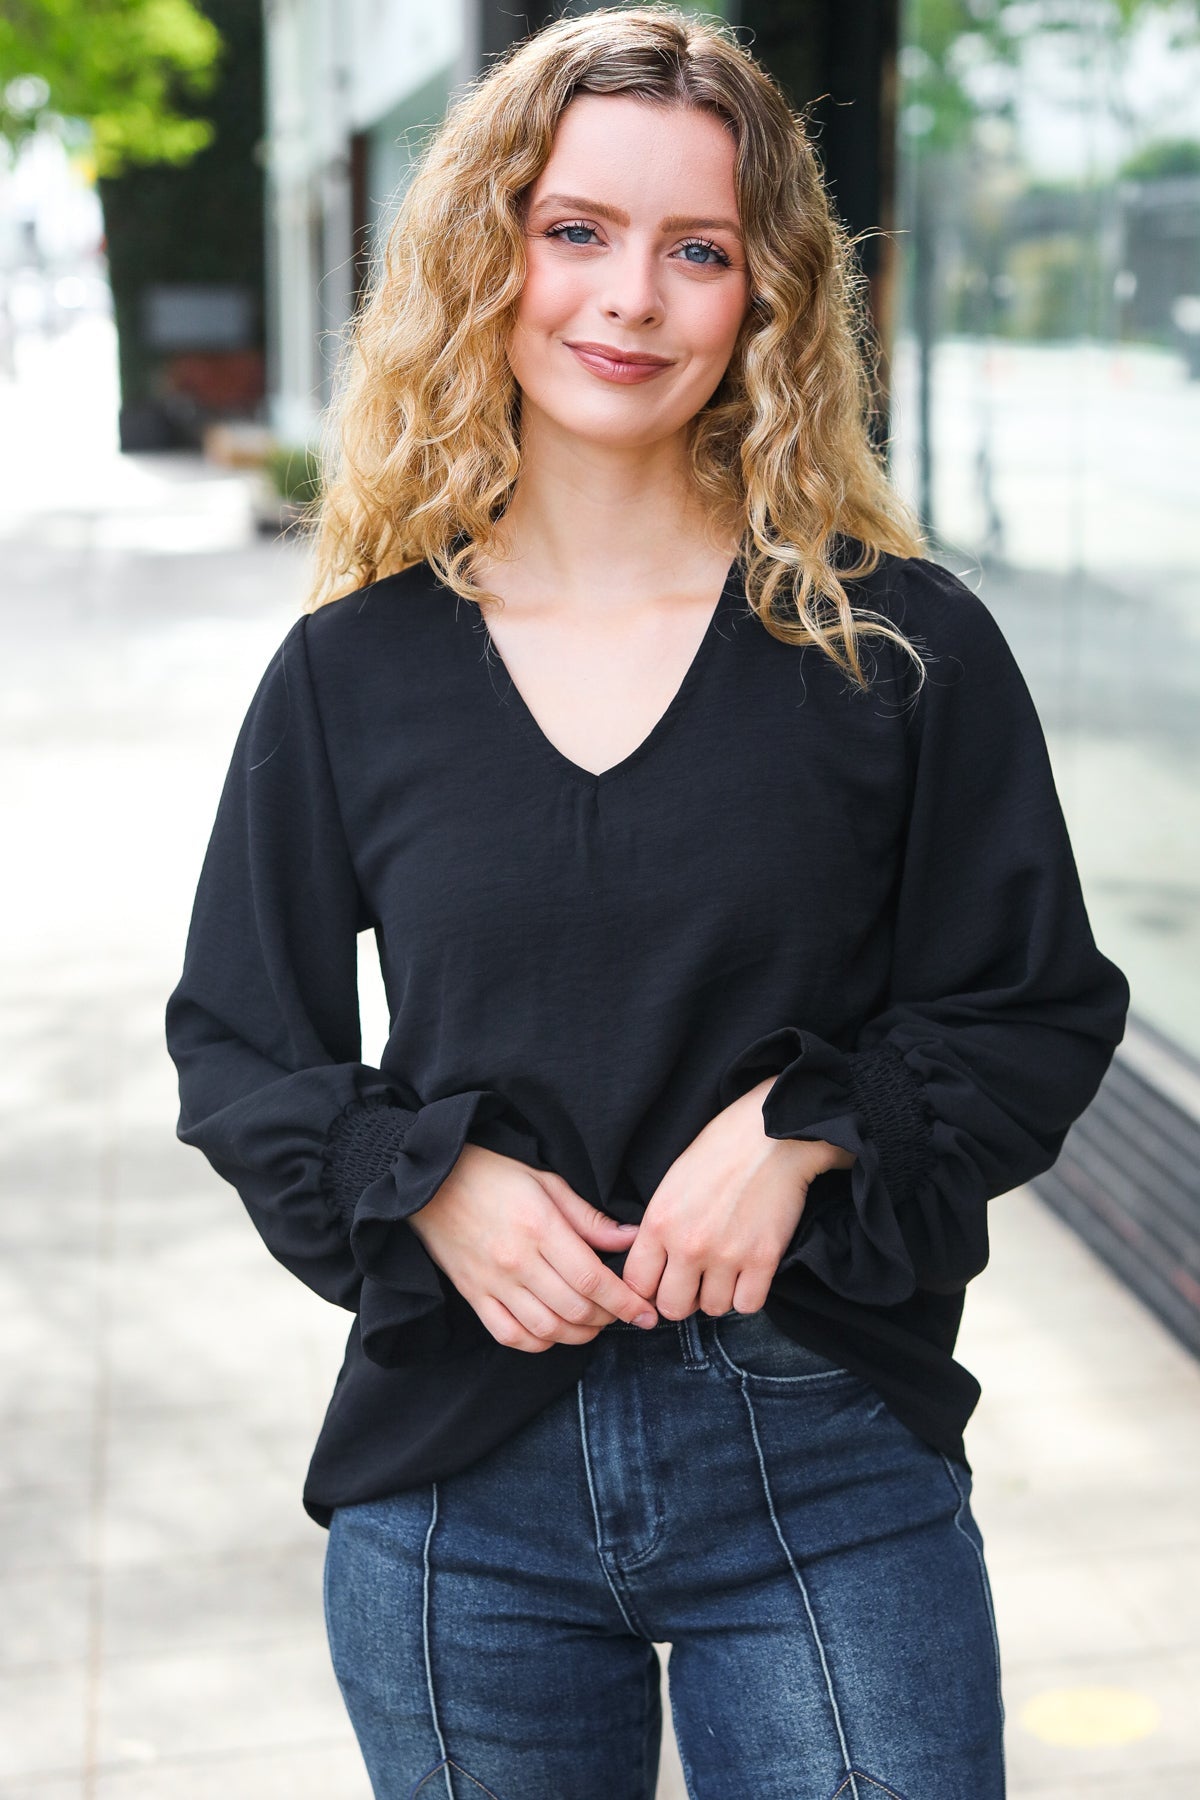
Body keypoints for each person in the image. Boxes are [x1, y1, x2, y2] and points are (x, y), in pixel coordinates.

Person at [164, 9, 1130, 1798]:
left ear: (766, 298)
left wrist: (808, 1132)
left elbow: (1035, 1009)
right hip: (460, 1490)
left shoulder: (899, 646)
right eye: (577, 231)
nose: (631, 299)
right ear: (488, 258)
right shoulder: (350, 675)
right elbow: (238, 1045)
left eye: (699, 250)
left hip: (825, 1466)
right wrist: (432, 1181)